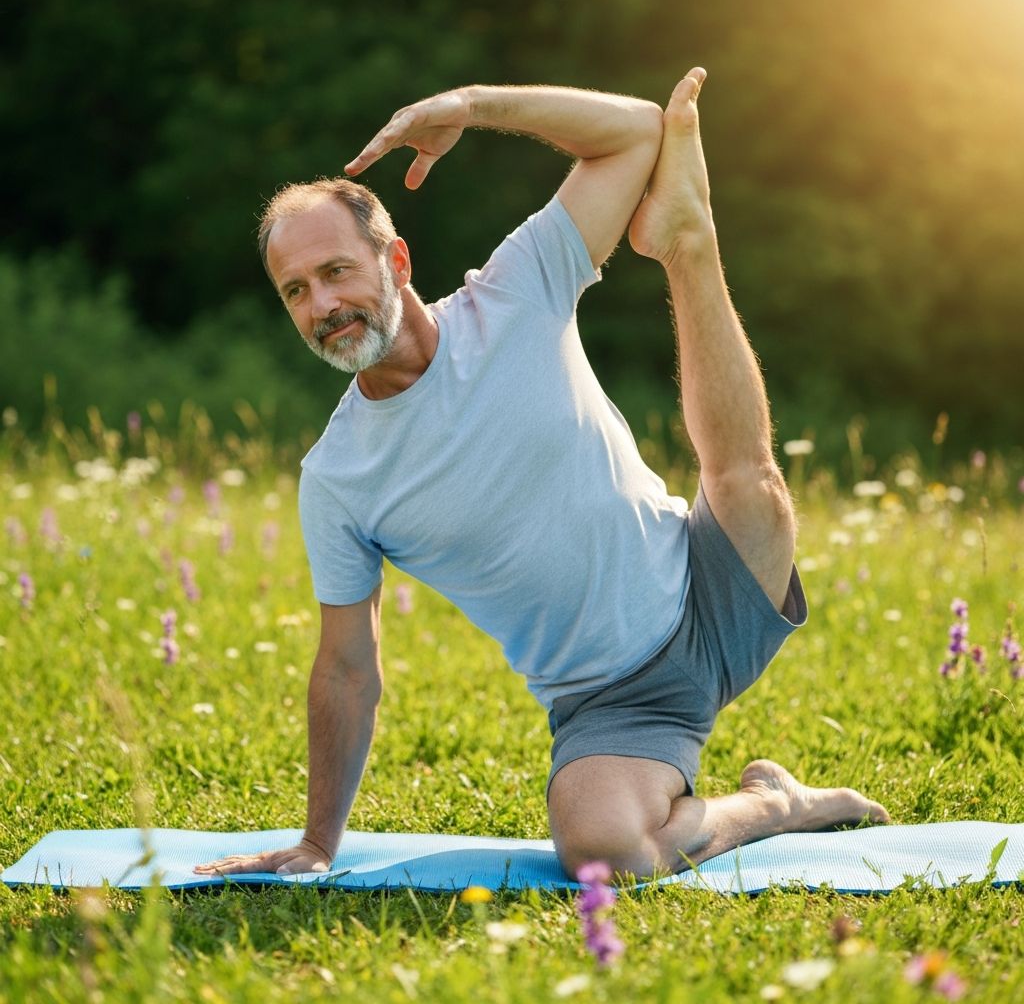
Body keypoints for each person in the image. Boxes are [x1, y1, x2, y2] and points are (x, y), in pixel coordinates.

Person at [194, 68, 889, 882]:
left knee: (748, 483)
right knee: (604, 854)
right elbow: (348, 668)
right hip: (617, 706)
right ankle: (777, 806)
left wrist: (473, 106)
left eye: (337, 271)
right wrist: (318, 842)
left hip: (714, 583)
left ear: (398, 260)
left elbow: (635, 131)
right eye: (296, 292)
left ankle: (687, 240)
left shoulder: (512, 295)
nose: (322, 306)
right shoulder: (339, 477)